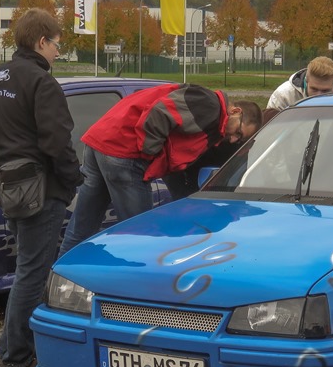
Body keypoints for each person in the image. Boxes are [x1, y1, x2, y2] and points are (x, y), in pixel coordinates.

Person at [0, 8, 82, 367]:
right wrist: (72, 179)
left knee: (27, 269)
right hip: (41, 190)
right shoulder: (42, 83)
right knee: (32, 274)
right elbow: (57, 142)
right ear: (41, 42)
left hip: (8, 187)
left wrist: (7, 163)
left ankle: (33, 347)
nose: (58, 52)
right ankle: (15, 355)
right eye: (56, 45)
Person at [59, 84, 261, 255]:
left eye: (239, 140)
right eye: (238, 132)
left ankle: (58, 280)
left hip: (99, 142)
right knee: (140, 235)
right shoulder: (209, 106)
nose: (233, 139)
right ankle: (139, 294)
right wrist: (149, 154)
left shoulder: (210, 119)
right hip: (123, 151)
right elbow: (159, 113)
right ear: (236, 112)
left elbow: (175, 162)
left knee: (82, 228)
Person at [264, 56, 333, 121]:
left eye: (325, 91)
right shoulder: (283, 96)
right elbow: (269, 131)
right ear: (306, 81)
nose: (318, 95)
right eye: (314, 89)